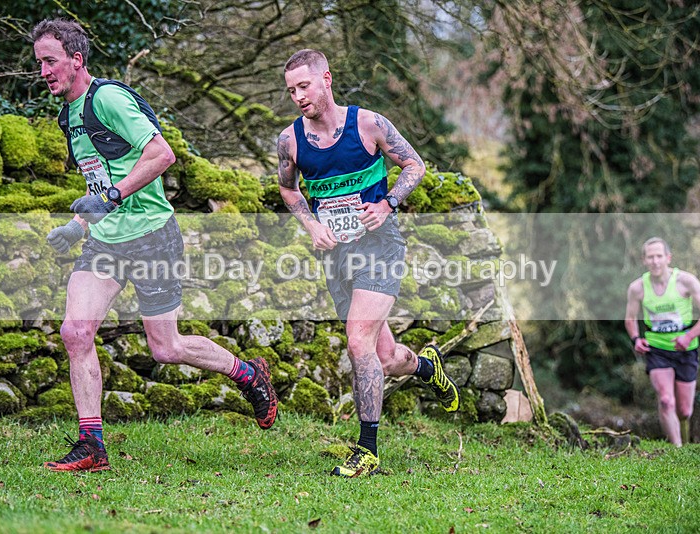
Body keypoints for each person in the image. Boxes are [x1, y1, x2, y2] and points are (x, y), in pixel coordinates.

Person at [33, 18, 277, 472]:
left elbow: (162, 154)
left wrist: (111, 197)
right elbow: (101, 184)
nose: (44, 71)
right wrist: (77, 224)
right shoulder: (69, 116)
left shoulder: (107, 98)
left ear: (76, 59)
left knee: (165, 348)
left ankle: (247, 374)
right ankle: (92, 445)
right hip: (105, 242)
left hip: (151, 238)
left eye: (50, 61)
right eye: (39, 64)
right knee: (75, 331)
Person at [276, 49, 461, 477]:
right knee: (386, 355)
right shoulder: (290, 141)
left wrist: (389, 204)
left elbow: (415, 164)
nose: (299, 96)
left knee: (357, 340)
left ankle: (368, 448)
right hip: (336, 254)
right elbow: (288, 190)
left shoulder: (368, 124)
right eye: (291, 91)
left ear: (326, 79)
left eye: (305, 86)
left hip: (379, 246)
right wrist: (310, 225)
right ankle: (427, 367)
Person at [625, 237, 700, 446]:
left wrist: (689, 336)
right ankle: (677, 450)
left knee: (684, 410)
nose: (655, 261)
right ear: (644, 260)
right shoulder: (637, 288)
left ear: (668, 258)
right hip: (657, 349)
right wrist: (636, 339)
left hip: (685, 349)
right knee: (666, 401)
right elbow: (630, 318)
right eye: (650, 257)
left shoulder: (686, 281)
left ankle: (682, 432)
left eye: (659, 256)